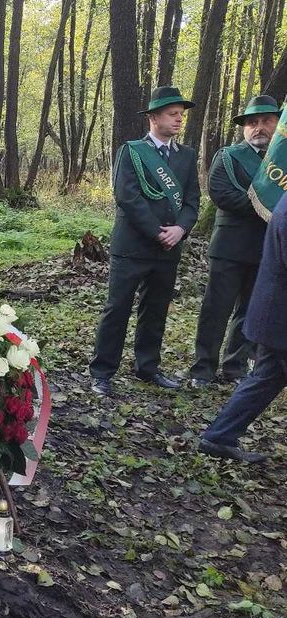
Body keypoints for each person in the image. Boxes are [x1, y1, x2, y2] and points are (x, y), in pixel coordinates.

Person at [90, 86, 200, 396]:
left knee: (156, 310)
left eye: (181, 115)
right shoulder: (132, 151)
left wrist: (180, 230)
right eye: (172, 114)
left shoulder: (187, 156)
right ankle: (102, 372)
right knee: (118, 309)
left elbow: (192, 200)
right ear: (153, 117)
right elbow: (127, 196)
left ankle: (147, 367)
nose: (179, 120)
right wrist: (158, 231)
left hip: (168, 249)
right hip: (133, 247)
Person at [188, 95, 280, 388]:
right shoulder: (228, 156)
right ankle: (203, 368)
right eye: (252, 122)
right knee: (216, 309)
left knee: (250, 310)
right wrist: (273, 211)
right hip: (229, 246)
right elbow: (222, 195)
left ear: (279, 125)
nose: (259, 128)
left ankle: (235, 365)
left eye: (266, 121)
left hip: (268, 248)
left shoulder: (282, 161)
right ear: (244, 128)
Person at [195, 192, 287, 464]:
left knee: (266, 377)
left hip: (276, 318)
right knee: (266, 376)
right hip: (281, 318)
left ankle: (219, 437)